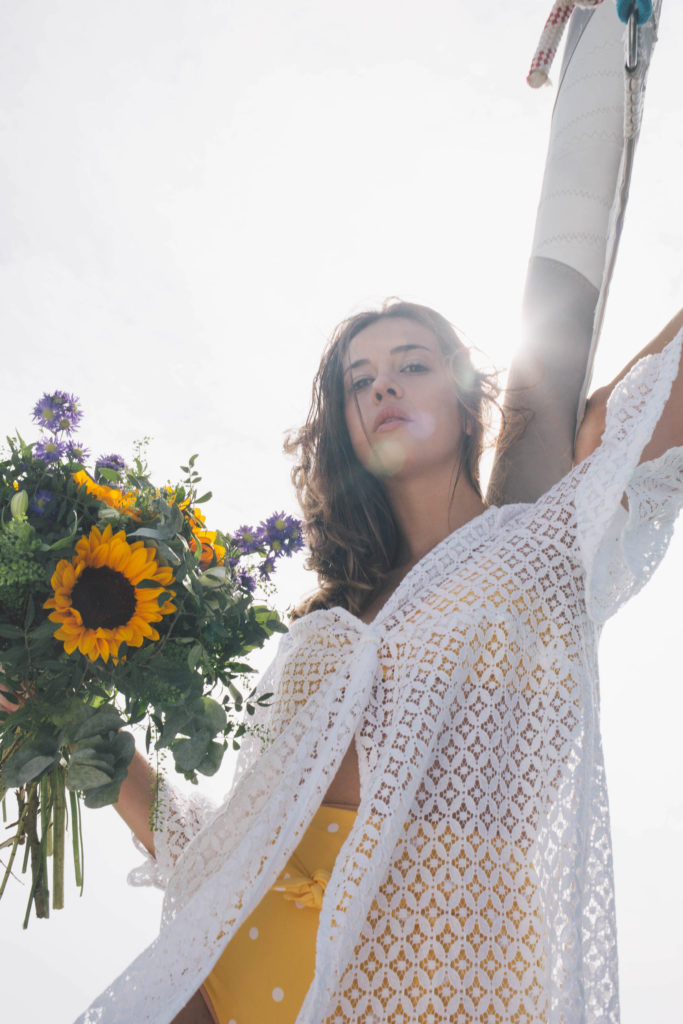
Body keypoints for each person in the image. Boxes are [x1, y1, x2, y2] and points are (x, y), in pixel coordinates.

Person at [3, 300, 682, 1024]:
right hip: (232, 958)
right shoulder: (319, 630)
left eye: (412, 365)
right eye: (359, 382)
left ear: (465, 406)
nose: (383, 388)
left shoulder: (539, 548)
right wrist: (81, 733)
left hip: (433, 968)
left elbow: (628, 414)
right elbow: (229, 841)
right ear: (346, 432)